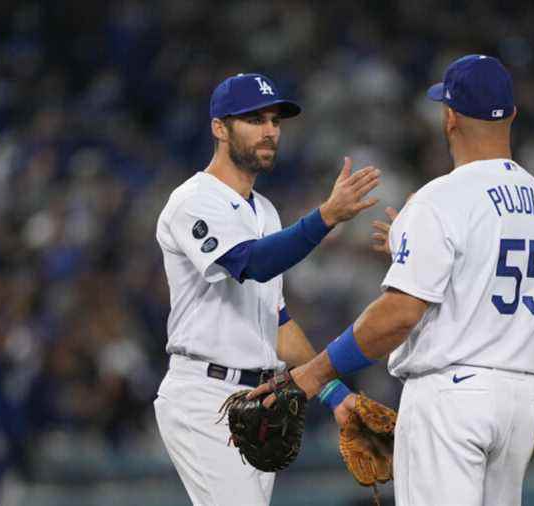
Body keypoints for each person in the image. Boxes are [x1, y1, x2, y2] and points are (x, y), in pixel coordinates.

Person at [251, 55, 534, 506]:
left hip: (453, 397)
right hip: (521, 399)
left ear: (449, 117)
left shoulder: (440, 197)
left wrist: (312, 375)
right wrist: (409, 255)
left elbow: (398, 317)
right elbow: (483, 273)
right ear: (511, 114)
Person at [153, 72, 380, 506]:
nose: (270, 131)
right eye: (254, 119)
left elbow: (278, 322)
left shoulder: (268, 213)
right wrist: (326, 217)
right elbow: (252, 263)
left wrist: (335, 394)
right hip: (203, 395)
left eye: (275, 120)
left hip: (259, 402)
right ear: (219, 127)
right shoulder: (193, 200)